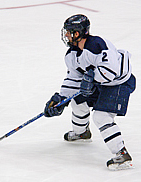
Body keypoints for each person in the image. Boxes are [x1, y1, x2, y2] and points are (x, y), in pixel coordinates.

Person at [44, 14, 136, 170]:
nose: (66, 35)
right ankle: (81, 133)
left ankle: (122, 154)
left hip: (118, 83)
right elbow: (73, 79)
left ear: (79, 33)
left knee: (101, 116)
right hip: (99, 84)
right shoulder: (71, 55)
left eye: (69, 31)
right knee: (77, 100)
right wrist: (61, 99)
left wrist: (93, 78)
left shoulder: (98, 45)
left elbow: (111, 71)